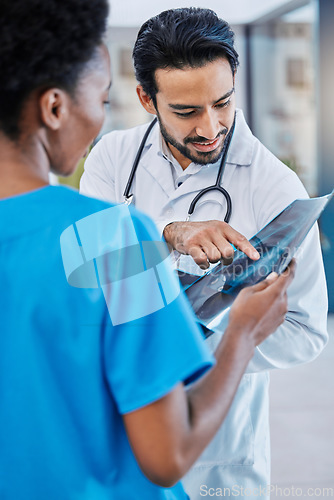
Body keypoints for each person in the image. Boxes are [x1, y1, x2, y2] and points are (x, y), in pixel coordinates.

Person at [0, 1, 297, 499]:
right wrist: (243, 330)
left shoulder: (96, 237)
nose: (209, 126)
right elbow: (166, 457)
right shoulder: (113, 236)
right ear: (55, 107)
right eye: (100, 98)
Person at [80, 7, 328, 499]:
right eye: (187, 112)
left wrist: (206, 340)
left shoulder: (274, 185)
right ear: (146, 99)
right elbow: (88, 272)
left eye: (223, 103)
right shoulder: (112, 159)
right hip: (116, 418)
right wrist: (167, 234)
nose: (211, 128)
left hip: (218, 452)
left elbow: (306, 331)